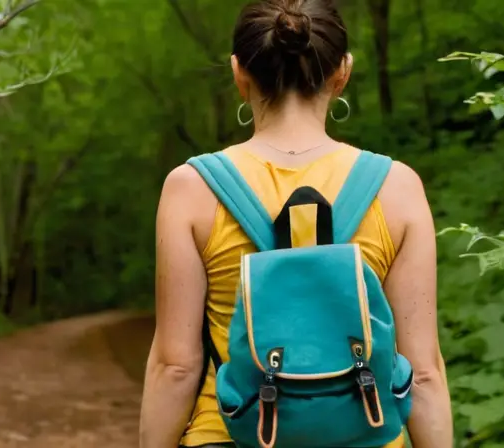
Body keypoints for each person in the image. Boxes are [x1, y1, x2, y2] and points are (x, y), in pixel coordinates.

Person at [139, 0, 453, 447]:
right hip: (367, 432)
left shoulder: (191, 189)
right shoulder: (397, 187)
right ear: (342, 72)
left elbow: (176, 366)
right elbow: (423, 372)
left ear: (238, 73)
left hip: (233, 432)